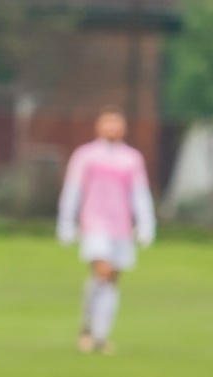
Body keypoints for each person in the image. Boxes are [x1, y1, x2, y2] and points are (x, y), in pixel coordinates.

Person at [56, 107, 156, 354]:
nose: (111, 128)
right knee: (102, 271)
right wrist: (66, 221)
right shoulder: (86, 156)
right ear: (98, 127)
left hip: (120, 227)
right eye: (107, 123)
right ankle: (87, 330)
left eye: (116, 123)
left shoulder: (132, 159)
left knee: (111, 280)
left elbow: (139, 193)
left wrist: (145, 223)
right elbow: (73, 189)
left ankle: (100, 335)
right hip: (94, 224)